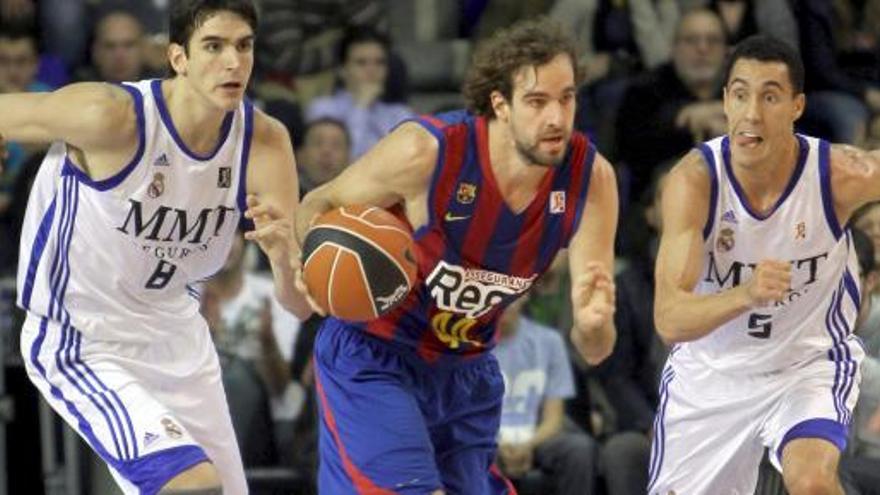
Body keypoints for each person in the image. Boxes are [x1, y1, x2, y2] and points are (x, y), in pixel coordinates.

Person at [294, 17, 619, 495]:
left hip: (467, 371)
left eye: (566, 98)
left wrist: (594, 326)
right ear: (500, 104)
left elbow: (596, 347)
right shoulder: (427, 152)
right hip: (377, 355)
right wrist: (312, 264)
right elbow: (317, 204)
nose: (556, 117)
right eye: (537, 101)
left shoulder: (590, 181)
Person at [4, 0, 312, 493]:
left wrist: (281, 257)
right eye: (213, 46)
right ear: (178, 58)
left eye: (244, 46)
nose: (233, 62)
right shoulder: (110, 116)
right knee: (191, 484)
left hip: (180, 340)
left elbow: (298, 304)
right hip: (83, 337)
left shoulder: (265, 143)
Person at [651, 34, 880, 494]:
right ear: (725, 101)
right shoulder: (694, 182)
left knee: (812, 482)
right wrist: (745, 294)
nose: (752, 112)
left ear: (797, 106)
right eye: (740, 94)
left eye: (769, 96)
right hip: (713, 373)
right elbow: (670, 320)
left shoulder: (837, 175)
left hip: (807, 361)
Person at [493, 296, 598, 494]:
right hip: (487, 439)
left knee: (579, 449)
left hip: (537, 434)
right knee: (470, 452)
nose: (503, 305)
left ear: (524, 295)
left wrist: (529, 444)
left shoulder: (549, 341)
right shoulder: (471, 347)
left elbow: (554, 418)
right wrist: (498, 445)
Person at [305, 25, 414, 161]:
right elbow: (342, 162)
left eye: (379, 62)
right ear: (342, 70)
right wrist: (361, 107)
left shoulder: (401, 114)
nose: (372, 70)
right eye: (361, 63)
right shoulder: (323, 108)